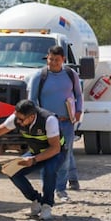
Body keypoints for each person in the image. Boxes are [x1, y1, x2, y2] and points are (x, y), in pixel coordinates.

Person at [0, 99, 65, 221]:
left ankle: (47, 205)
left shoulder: (49, 120)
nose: (18, 122)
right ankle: (36, 200)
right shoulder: (17, 118)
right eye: (17, 117)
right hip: (35, 152)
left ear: (32, 116)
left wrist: (33, 160)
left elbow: (55, 148)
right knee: (12, 171)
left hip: (54, 153)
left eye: (21, 119)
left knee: (49, 171)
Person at [28, 45, 82, 201]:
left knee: (64, 157)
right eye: (50, 59)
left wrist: (78, 111)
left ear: (63, 60)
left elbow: (78, 94)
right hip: (47, 124)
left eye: (57, 60)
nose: (53, 63)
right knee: (46, 155)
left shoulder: (71, 75)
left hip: (66, 123)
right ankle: (48, 189)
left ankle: (61, 189)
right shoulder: (39, 76)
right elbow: (32, 101)